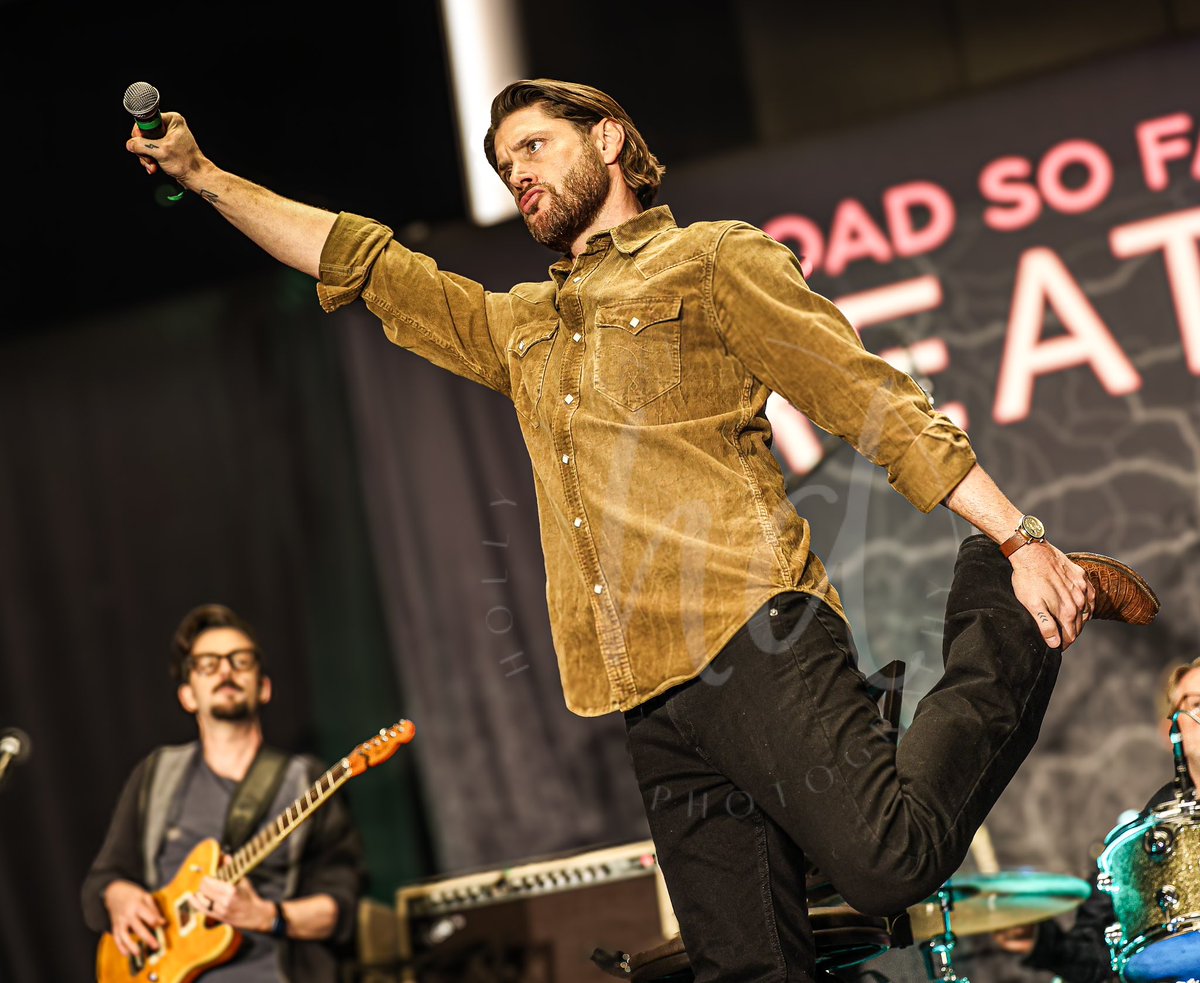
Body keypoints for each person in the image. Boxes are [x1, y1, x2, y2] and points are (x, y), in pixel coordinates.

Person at [123, 79, 1159, 982]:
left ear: (609, 139)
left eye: (533, 144)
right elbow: (364, 263)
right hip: (642, 690)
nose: (515, 172)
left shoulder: (709, 260)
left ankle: (1002, 603)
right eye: (500, 163)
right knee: (748, 962)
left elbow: (870, 397)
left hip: (753, 630)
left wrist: (1019, 538)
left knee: (886, 857)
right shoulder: (522, 326)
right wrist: (207, 174)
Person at [81, 603, 366, 981]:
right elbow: (103, 879)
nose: (226, 671)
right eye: (207, 664)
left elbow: (340, 908)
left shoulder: (308, 782)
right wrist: (119, 898)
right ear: (187, 696)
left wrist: (268, 916)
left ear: (263, 687)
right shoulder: (157, 774)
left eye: (240, 660)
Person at [992, 657, 1200, 982]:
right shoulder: (1144, 842)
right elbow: (1100, 958)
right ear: (1171, 730)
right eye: (1197, 704)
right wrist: (1043, 942)